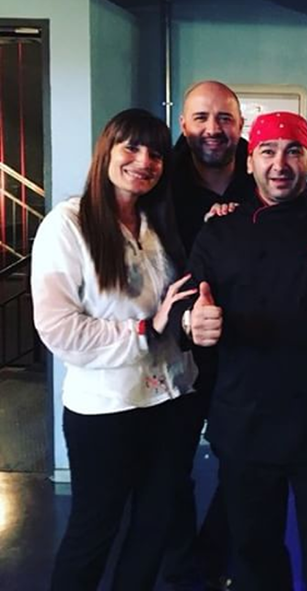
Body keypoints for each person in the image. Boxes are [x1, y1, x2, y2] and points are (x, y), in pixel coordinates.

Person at [178, 110, 307, 591]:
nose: (280, 164)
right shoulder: (219, 231)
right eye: (268, 152)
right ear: (249, 161)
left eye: (293, 151)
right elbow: (183, 304)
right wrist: (192, 321)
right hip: (245, 420)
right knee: (252, 555)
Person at [31, 109, 198, 591]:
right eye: (132, 148)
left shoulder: (157, 222)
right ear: (106, 150)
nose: (144, 161)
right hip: (106, 411)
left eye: (156, 154)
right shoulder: (67, 225)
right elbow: (59, 330)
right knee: (94, 530)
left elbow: (176, 305)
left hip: (170, 400)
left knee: (153, 527)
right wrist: (145, 329)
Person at [163, 80, 253, 591]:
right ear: (184, 124)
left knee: (243, 463)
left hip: (245, 349)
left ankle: (214, 559)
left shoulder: (260, 173)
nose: (213, 129)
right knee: (169, 468)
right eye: (201, 118)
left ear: (239, 125)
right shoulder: (161, 181)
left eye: (224, 118)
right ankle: (181, 570)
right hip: (172, 349)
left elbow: (294, 220)